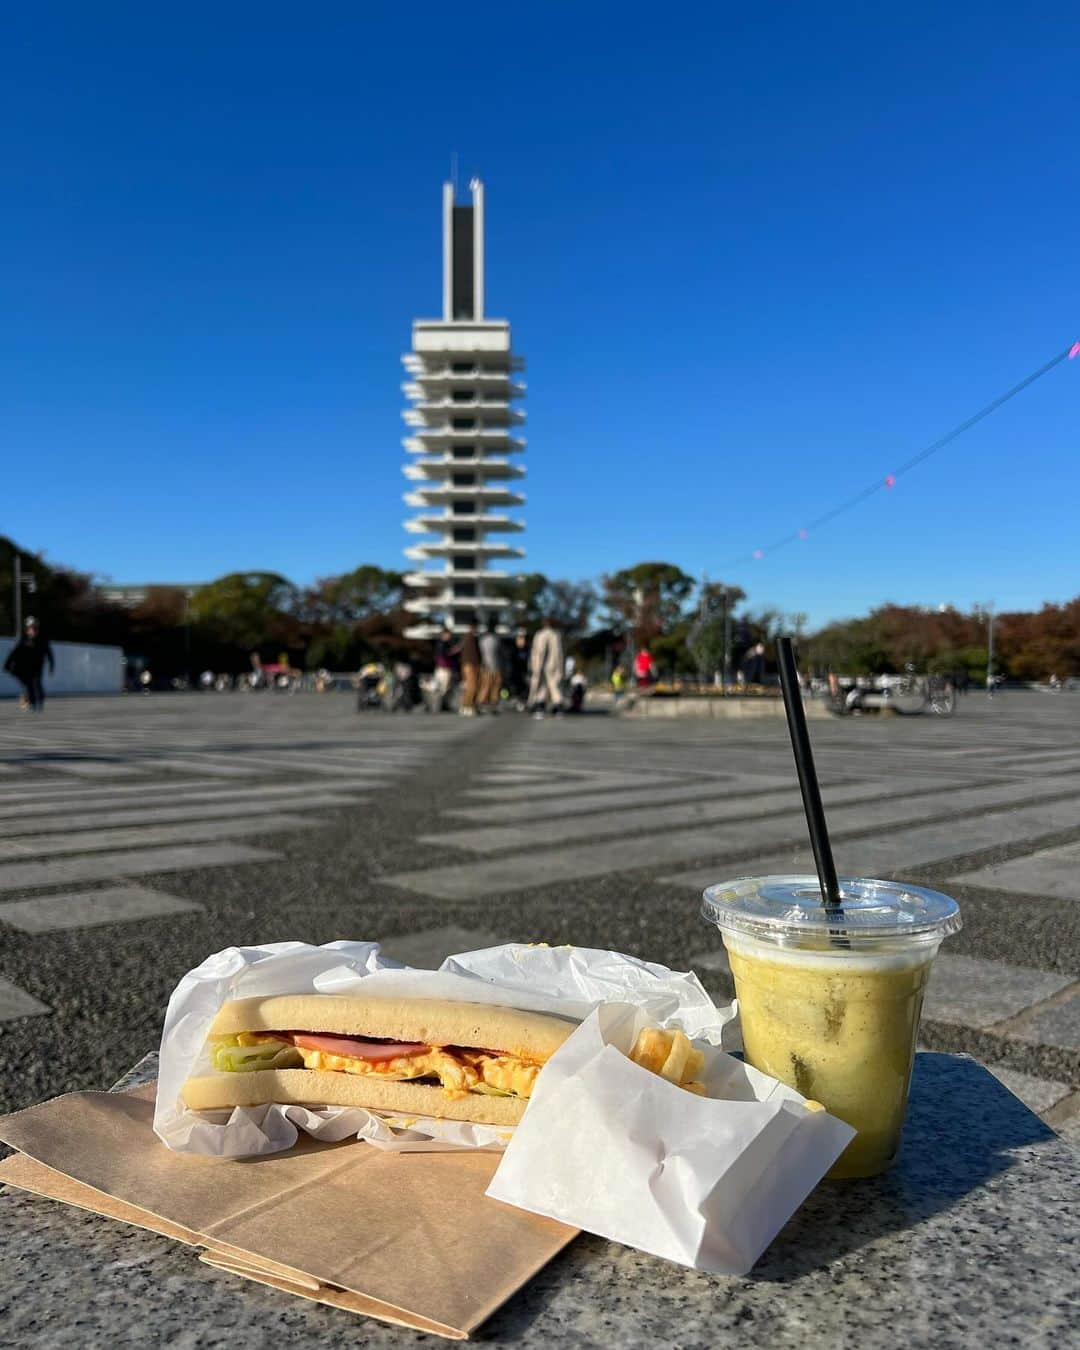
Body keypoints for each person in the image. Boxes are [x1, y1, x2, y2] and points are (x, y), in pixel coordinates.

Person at [4, 617, 54, 713]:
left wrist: (51, 666)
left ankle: (39, 700)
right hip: (27, 666)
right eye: (29, 628)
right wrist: (7, 664)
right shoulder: (24, 638)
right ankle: (32, 702)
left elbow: (49, 653)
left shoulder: (43, 639)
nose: (31, 630)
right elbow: (15, 652)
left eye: (34, 628)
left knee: (37, 682)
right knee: (29, 684)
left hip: (38, 665)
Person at [527, 616, 564, 717]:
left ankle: (542, 705)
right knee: (551, 686)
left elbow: (537, 651)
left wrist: (534, 665)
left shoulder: (541, 635)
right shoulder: (555, 635)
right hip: (549, 665)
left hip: (545, 665)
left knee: (546, 685)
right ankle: (550, 705)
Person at [478, 616, 502, 713]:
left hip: (487, 665)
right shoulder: (495, 639)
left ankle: (483, 704)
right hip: (492, 666)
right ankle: (489, 704)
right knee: (491, 686)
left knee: (487, 686)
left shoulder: (482, 639)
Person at [458, 619, 481, 716]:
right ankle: (468, 706)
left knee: (469, 686)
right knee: (472, 686)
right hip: (470, 665)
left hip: (467, 664)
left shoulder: (467, 637)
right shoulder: (471, 638)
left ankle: (465, 706)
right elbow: (474, 654)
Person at [432, 626, 455, 711]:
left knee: (445, 688)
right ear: (444, 634)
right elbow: (444, 655)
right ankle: (441, 705)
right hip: (444, 668)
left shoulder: (443, 644)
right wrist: (453, 651)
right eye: (448, 634)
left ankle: (444, 705)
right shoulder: (442, 644)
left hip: (443, 668)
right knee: (443, 688)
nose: (450, 636)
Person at [508, 628, 530, 710]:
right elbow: (510, 662)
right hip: (515, 672)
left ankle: (522, 701)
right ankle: (516, 700)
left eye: (523, 638)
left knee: (524, 688)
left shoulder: (527, 649)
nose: (521, 640)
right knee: (515, 688)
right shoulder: (513, 649)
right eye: (520, 638)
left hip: (524, 672)